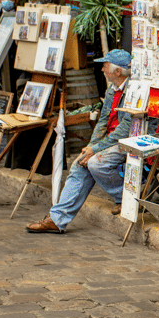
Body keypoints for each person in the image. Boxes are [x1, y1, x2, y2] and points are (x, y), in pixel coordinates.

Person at [26, 50, 134, 233]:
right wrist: (91, 146)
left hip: (127, 140)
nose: (102, 69)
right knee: (80, 164)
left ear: (117, 71)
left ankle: (126, 197)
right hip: (110, 140)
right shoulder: (111, 90)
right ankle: (57, 218)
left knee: (96, 164)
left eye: (105, 66)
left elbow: (126, 129)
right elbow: (103, 120)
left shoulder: (133, 91)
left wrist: (96, 149)